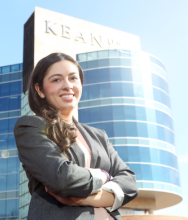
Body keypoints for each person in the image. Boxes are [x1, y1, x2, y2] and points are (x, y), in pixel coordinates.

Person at [14, 53, 138, 220]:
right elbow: (62, 178)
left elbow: (129, 182)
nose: (68, 85)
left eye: (73, 78)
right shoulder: (30, 127)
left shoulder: (99, 135)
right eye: (56, 80)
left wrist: (86, 199)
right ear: (40, 90)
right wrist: (104, 175)